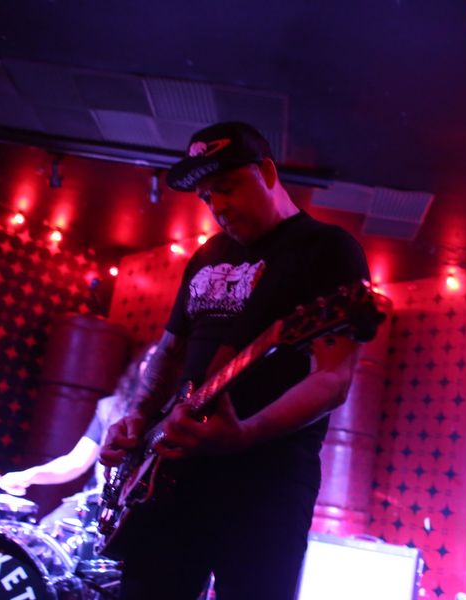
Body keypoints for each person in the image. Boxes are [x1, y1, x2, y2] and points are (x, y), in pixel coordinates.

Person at [100, 122, 373, 600]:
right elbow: (171, 349)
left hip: (267, 485)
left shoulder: (328, 248)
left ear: (267, 172)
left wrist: (246, 433)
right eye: (207, 197)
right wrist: (138, 418)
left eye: (226, 187)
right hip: (168, 476)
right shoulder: (206, 255)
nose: (218, 206)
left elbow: (334, 378)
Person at [0, 345, 156, 527]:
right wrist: (29, 475)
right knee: (47, 528)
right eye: (149, 359)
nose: (152, 365)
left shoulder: (172, 416)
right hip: (99, 502)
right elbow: (76, 462)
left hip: (141, 511)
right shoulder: (111, 408)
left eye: (159, 360)